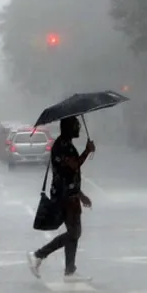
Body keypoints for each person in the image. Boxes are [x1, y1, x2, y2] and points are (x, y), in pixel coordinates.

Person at [27, 116, 95, 282]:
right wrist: (87, 151)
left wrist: (80, 194)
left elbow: (70, 175)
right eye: (76, 125)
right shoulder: (60, 146)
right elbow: (74, 165)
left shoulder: (67, 145)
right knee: (74, 232)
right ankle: (38, 255)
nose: (78, 128)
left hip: (71, 195)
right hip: (64, 197)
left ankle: (70, 271)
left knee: (75, 232)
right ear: (68, 127)